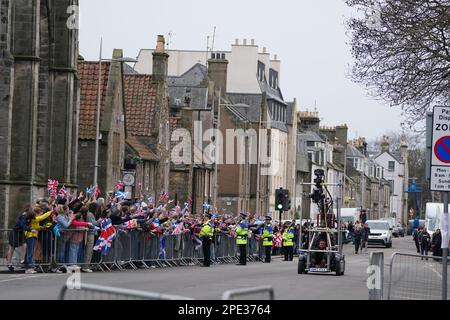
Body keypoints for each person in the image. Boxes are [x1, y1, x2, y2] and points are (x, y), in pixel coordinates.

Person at [24, 208, 52, 274]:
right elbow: (42, 217)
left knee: (30, 252)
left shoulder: (32, 220)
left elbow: (35, 226)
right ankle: (29, 268)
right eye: (40, 213)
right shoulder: (34, 219)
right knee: (30, 253)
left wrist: (40, 227)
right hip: (31, 236)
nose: (40, 214)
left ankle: (28, 267)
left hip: (31, 236)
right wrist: (51, 211)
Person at [6, 205, 33, 272]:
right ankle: (9, 263)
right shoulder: (22, 217)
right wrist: (30, 229)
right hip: (15, 232)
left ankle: (22, 259)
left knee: (24, 245)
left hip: (20, 233)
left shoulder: (27, 217)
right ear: (27, 210)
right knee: (12, 248)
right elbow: (23, 225)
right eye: (30, 209)